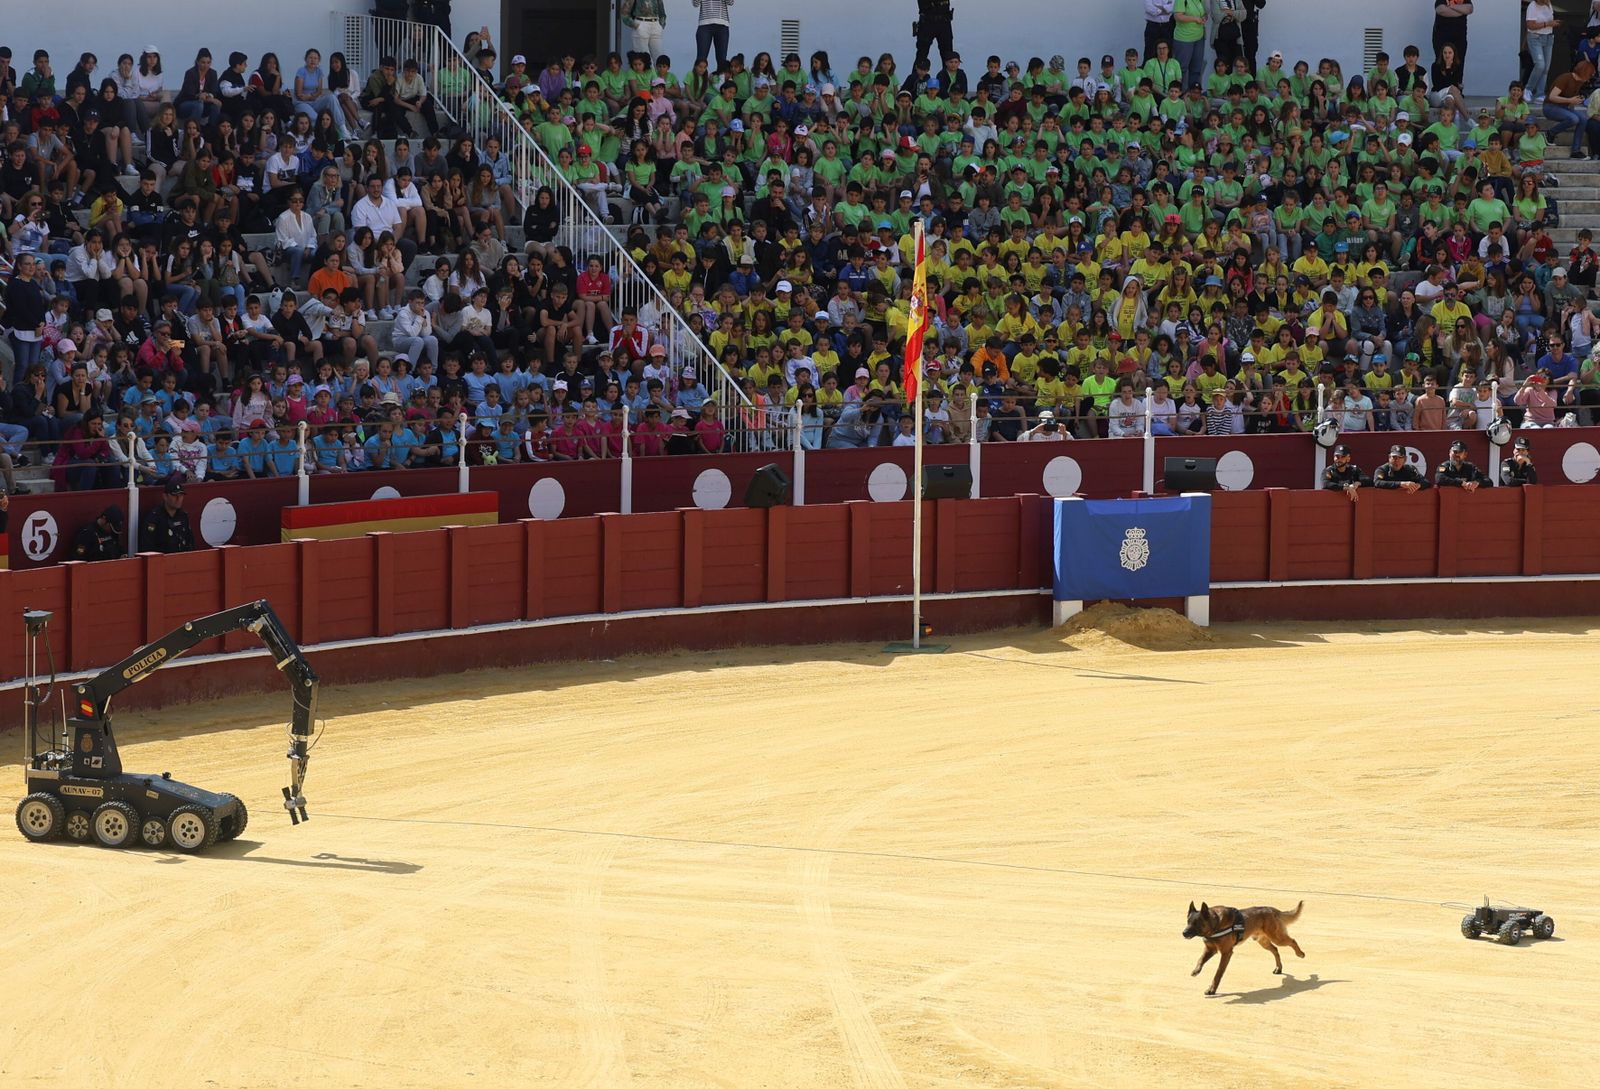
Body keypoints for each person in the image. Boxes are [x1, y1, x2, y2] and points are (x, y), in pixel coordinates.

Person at [140, 481, 195, 552]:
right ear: (165, 496)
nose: (178, 499)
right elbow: (147, 545)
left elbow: (190, 541)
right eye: (174, 495)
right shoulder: (154, 517)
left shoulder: (183, 516)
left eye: (181, 495)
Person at [692, 0, 733, 73]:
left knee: (722, 60)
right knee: (701, 59)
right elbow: (695, 4)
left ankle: (720, 83)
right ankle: (697, 82)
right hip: (704, 24)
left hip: (722, 24)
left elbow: (731, 2)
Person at [915, 0, 957, 71]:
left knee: (948, 56)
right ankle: (915, 80)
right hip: (928, 21)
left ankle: (949, 80)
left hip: (944, 22)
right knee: (921, 56)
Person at [1433, 0, 1473, 68]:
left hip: (1459, 39)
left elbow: (1469, 9)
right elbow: (1441, 10)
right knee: (1441, 66)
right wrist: (1461, 11)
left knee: (1458, 67)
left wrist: (1451, 6)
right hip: (1441, 38)